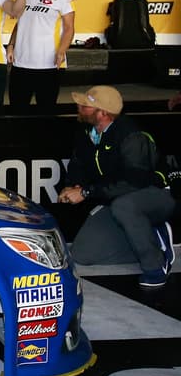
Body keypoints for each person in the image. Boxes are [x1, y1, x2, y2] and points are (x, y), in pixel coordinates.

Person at [60, 85, 175, 289]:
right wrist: (72, 185)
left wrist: (86, 192)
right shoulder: (86, 132)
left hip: (154, 196)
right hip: (116, 199)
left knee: (125, 206)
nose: (79, 107)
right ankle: (149, 241)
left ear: (103, 113)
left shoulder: (132, 136)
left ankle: (155, 265)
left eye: (85, 105)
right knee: (82, 254)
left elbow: (134, 183)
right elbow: (77, 164)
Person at [8, 0, 75, 114]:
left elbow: (69, 27)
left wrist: (61, 50)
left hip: (48, 66)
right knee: (17, 114)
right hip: (21, 64)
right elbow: (20, 21)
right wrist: (11, 44)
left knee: (46, 116)